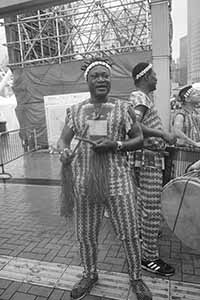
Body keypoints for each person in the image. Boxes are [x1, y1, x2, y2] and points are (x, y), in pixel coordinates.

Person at [57, 57, 153, 300]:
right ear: (87, 80)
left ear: (110, 80)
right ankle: (90, 274)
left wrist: (117, 144)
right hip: (84, 182)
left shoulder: (123, 108)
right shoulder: (76, 111)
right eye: (95, 76)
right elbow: (63, 140)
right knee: (86, 233)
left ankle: (136, 278)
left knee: (130, 232)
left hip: (118, 182)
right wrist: (64, 152)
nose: (101, 79)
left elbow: (139, 139)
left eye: (105, 75)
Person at [129, 62, 176, 277]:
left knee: (145, 208)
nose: (156, 78)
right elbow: (134, 127)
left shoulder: (143, 99)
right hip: (147, 161)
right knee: (151, 210)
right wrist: (162, 135)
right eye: (154, 74)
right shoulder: (139, 98)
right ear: (145, 76)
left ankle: (143, 240)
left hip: (148, 159)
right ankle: (148, 258)